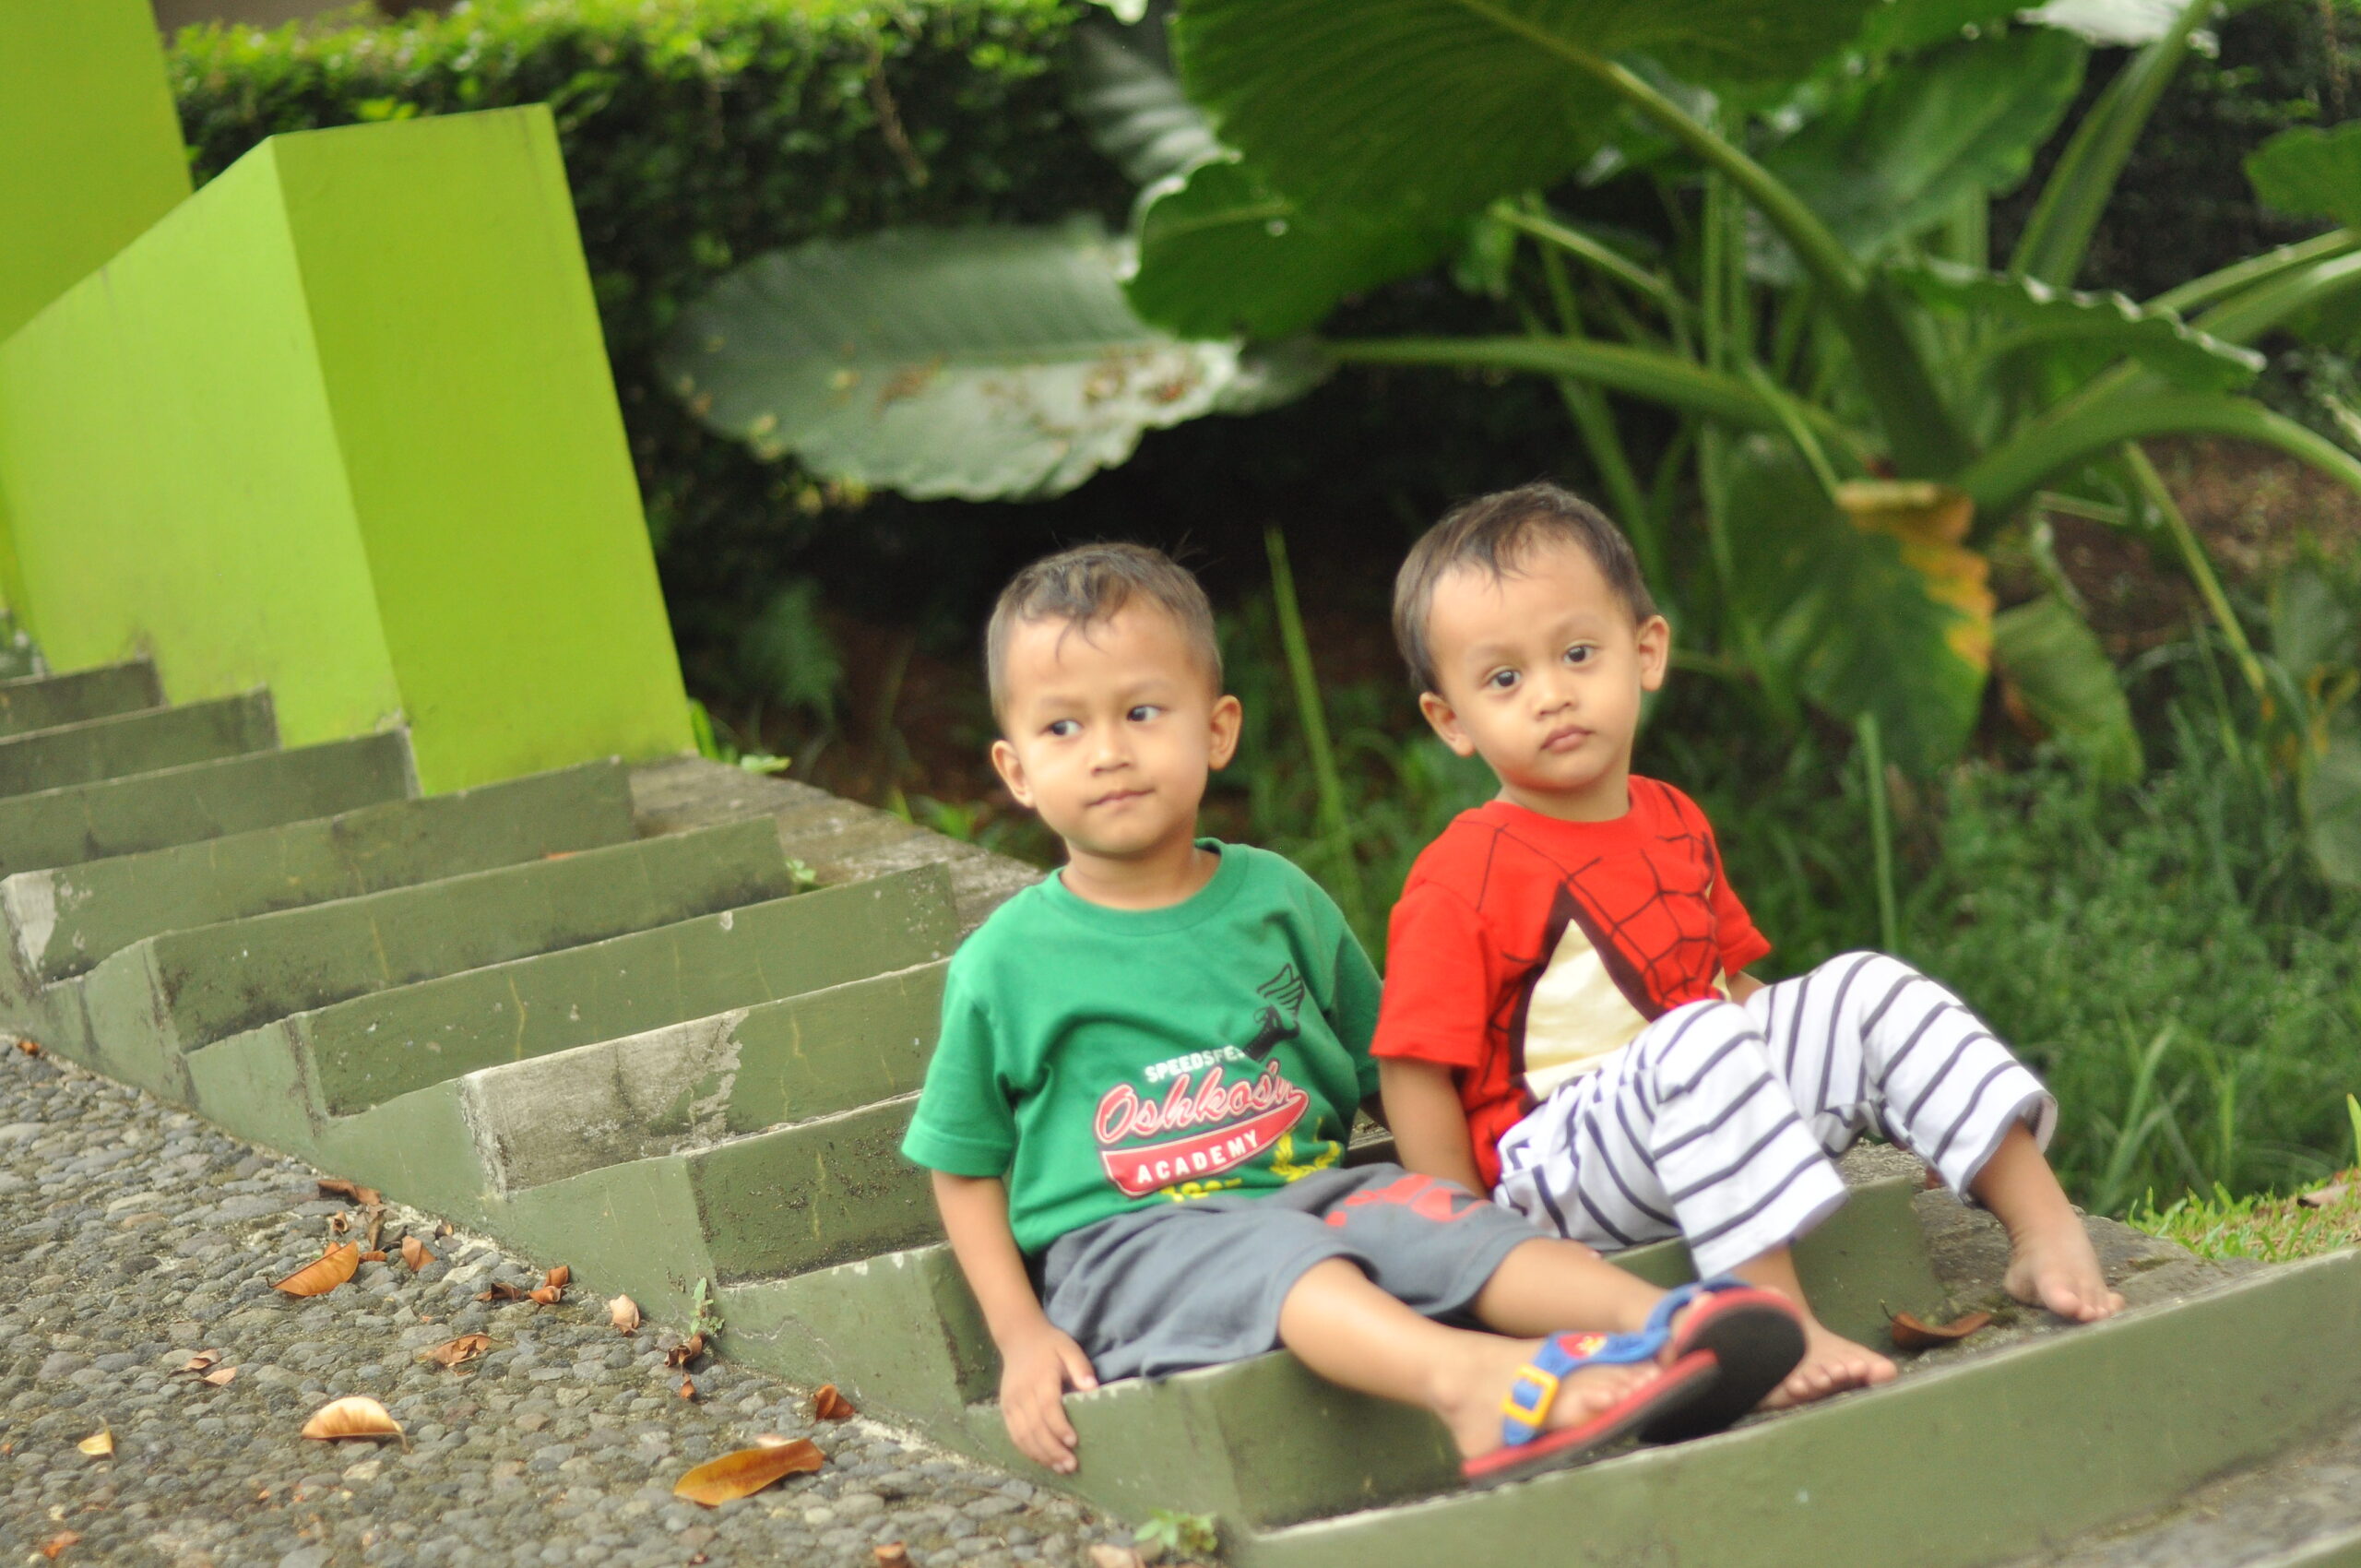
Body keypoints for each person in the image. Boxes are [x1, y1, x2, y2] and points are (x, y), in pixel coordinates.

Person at [901, 541, 1806, 1488]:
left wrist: (1470, 1195)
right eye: (1062, 727)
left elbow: (1395, 1069)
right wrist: (1021, 1334)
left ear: (1217, 729)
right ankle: (1471, 1384)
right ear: (1015, 769)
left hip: (1314, 1194)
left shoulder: (1278, 900)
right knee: (1288, 1253)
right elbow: (962, 1163)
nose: (1108, 750)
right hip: (1127, 1246)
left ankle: (1671, 1325)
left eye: (1141, 711)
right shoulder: (1005, 961)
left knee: (1432, 1212)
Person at [1373, 483, 2125, 1407]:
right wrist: (1468, 1246)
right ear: (1450, 720)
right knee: (1701, 1034)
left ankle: (2040, 1223)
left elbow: (1731, 988)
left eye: (1576, 653)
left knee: (1863, 985)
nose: (1552, 694)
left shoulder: (1671, 817)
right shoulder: (1462, 873)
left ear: (1645, 651)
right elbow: (1414, 1067)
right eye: (1503, 679)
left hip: (1701, 1106)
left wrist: (1858, 1065)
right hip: (1559, 1175)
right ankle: (1772, 1321)